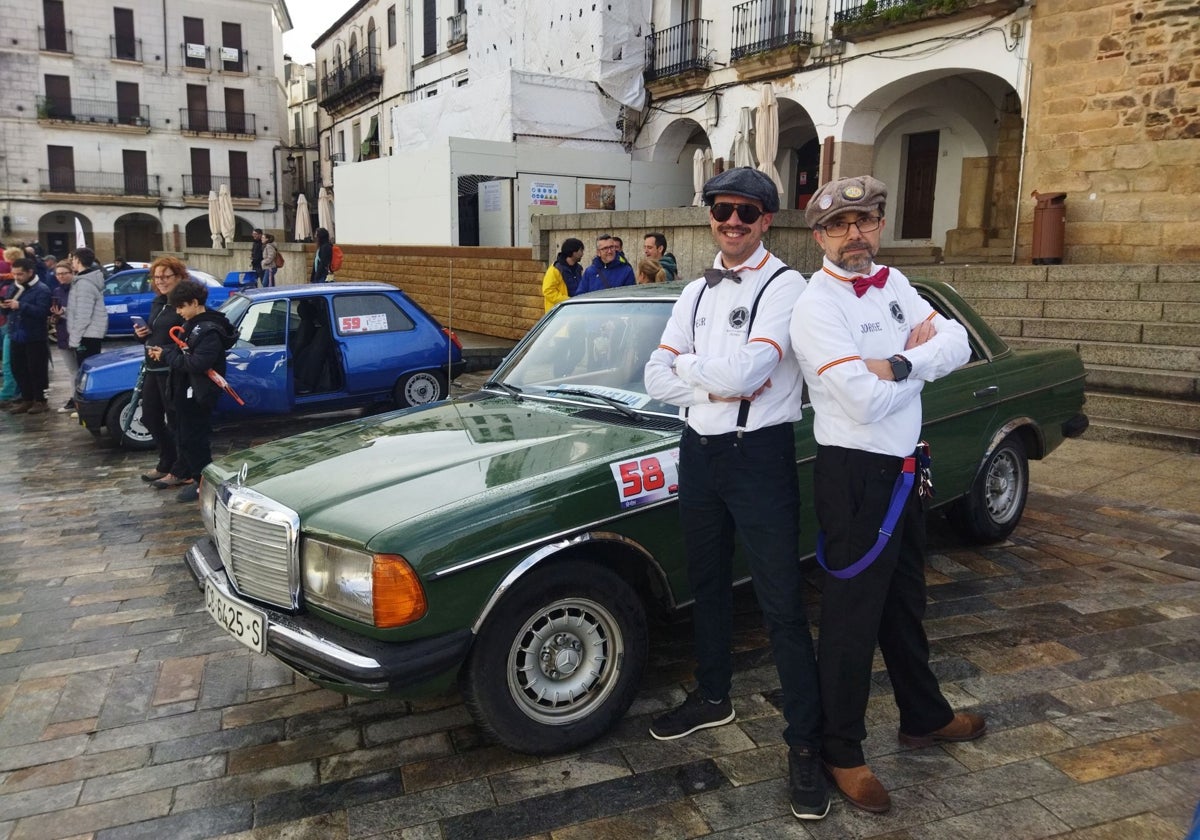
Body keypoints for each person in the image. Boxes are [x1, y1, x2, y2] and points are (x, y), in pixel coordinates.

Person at [789, 175, 982, 815]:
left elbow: (957, 343)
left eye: (865, 220)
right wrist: (917, 366)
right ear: (820, 235)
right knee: (851, 619)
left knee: (905, 603)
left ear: (878, 224)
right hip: (855, 475)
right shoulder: (816, 305)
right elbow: (861, 401)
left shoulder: (896, 283)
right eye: (840, 225)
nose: (855, 234)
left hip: (905, 467)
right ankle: (840, 749)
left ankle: (922, 716)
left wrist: (899, 364)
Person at [644, 167, 827, 821]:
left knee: (780, 603)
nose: (731, 221)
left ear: (766, 221)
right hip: (698, 453)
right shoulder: (693, 290)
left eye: (746, 212)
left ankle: (806, 745)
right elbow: (652, 374)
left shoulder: (788, 285)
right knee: (707, 584)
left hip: (759, 457)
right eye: (722, 209)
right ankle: (713, 693)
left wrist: (694, 371)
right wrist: (710, 380)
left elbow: (754, 369)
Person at [147, 278, 237, 503]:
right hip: (185, 391)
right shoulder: (193, 324)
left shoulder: (209, 330)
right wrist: (166, 351)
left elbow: (197, 363)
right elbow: (184, 352)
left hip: (197, 393)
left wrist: (168, 355)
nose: (179, 312)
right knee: (186, 438)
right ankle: (198, 480)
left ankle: (204, 484)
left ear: (195, 303)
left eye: (181, 307)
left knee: (195, 440)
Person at [135, 257, 188, 488]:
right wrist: (144, 333)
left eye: (166, 276)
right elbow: (157, 333)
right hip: (153, 367)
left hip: (171, 369)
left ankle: (181, 469)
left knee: (177, 420)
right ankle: (167, 461)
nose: (161, 281)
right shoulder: (158, 302)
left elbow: (187, 340)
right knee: (149, 416)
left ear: (178, 276)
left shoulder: (184, 304)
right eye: (157, 277)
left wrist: (165, 350)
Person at [2, 257, 53, 415]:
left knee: (36, 370)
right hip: (16, 333)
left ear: (30, 272)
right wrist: (5, 307)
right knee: (18, 368)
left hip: (34, 335)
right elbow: (8, 311)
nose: (17, 277)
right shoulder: (14, 287)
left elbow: (42, 312)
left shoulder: (42, 289)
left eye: (20, 274)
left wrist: (21, 306)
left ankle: (41, 400)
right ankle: (27, 398)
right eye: (14, 274)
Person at [66, 247, 108, 366]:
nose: (72, 263)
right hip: (88, 334)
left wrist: (74, 341)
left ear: (78, 260)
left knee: (86, 370)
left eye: (73, 259)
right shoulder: (84, 280)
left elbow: (83, 316)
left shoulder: (84, 284)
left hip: (87, 336)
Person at [48, 261, 75, 410]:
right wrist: (54, 316)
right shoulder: (57, 291)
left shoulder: (77, 290)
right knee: (72, 370)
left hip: (77, 334)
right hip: (62, 332)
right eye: (58, 274)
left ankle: (76, 399)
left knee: (78, 369)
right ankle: (74, 398)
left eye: (64, 273)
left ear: (72, 273)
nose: (61, 276)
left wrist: (64, 312)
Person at [541, 237, 585, 311]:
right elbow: (548, 291)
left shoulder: (578, 269)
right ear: (573, 252)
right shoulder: (555, 270)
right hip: (560, 314)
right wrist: (568, 301)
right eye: (581, 250)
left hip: (576, 310)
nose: (582, 254)